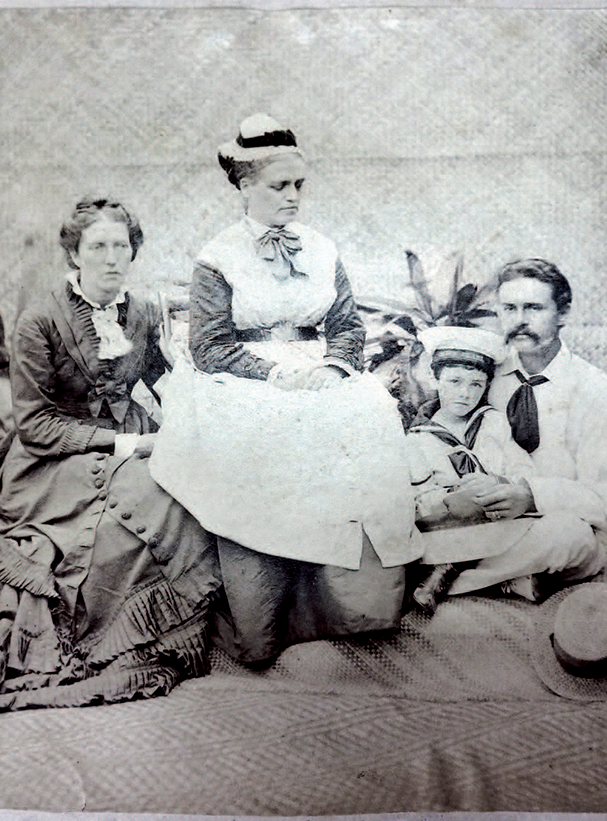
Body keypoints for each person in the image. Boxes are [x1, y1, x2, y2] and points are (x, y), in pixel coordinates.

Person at [0, 196, 220, 719]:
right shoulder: (41, 319)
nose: (110, 258)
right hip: (49, 462)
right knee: (129, 511)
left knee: (176, 497)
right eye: (97, 246)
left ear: (134, 252)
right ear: (74, 254)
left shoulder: (145, 313)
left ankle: (152, 625)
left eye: (120, 246)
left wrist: (189, 393)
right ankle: (87, 639)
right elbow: (35, 425)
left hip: (130, 444)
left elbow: (162, 385)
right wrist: (123, 444)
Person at [149, 114, 418, 665]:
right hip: (241, 376)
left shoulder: (321, 248)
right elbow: (211, 347)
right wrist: (277, 377)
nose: (293, 197)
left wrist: (335, 368)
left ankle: (348, 614)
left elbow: (347, 325)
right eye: (279, 186)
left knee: (366, 415)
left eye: (300, 185)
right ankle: (263, 623)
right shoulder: (218, 256)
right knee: (264, 433)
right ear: (246, 188)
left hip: (318, 369)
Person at [445, 258, 607, 600]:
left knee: (568, 537)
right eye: (510, 308)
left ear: (563, 314)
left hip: (555, 525)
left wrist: (531, 496)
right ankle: (510, 580)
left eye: (533, 308)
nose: (520, 321)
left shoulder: (593, 389)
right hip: (486, 520)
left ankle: (449, 580)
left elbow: (606, 502)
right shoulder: (484, 376)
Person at [405, 325, 538, 614]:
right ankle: (500, 579)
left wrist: (498, 482)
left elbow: (525, 471)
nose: (465, 394)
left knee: (546, 531)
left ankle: (452, 575)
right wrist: (451, 500)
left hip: (501, 520)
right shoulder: (417, 440)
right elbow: (415, 504)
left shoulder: (494, 423)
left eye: (476, 384)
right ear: (434, 379)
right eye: (455, 381)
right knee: (427, 546)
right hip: (449, 529)